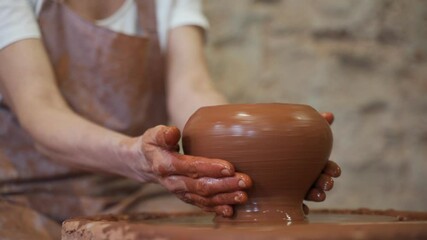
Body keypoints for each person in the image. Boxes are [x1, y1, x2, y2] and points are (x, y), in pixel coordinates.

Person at [0, 0, 341, 239]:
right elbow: (40, 107)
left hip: (136, 194)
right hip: (28, 199)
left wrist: (254, 152)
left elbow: (191, 87)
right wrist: (135, 156)